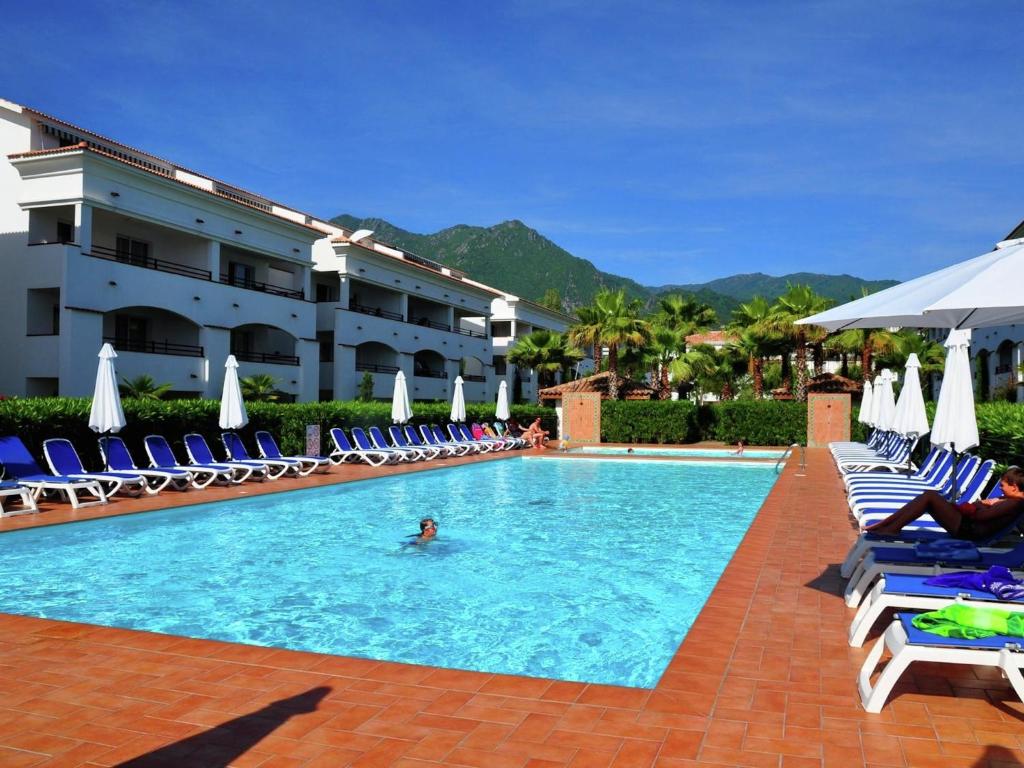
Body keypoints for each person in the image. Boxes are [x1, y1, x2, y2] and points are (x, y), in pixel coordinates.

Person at [864, 468, 1024, 541]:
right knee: (928, 497)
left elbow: (980, 515)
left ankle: (890, 527)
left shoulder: (1014, 504)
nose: (1000, 489)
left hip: (968, 531)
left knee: (930, 496)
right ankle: (889, 525)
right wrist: (985, 504)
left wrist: (984, 504)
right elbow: (977, 508)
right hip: (966, 525)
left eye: (1002, 485)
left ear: (1014, 487)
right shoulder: (1008, 500)